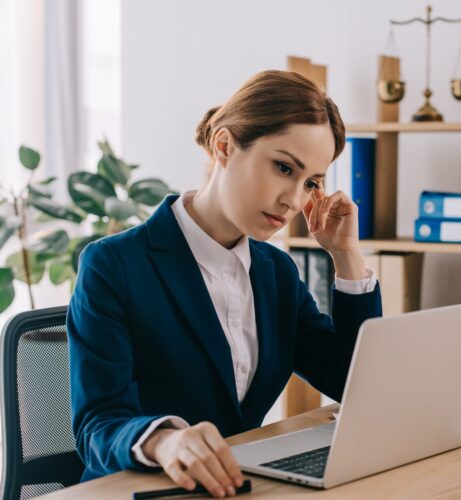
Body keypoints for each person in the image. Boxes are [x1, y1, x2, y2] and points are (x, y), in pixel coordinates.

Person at [67, 70, 382, 498]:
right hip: (138, 491)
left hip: (235, 488)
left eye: (310, 182)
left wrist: (347, 257)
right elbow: (97, 425)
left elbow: (353, 382)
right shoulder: (114, 265)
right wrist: (166, 441)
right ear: (224, 145)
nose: (294, 199)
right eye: (283, 167)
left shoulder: (276, 272)